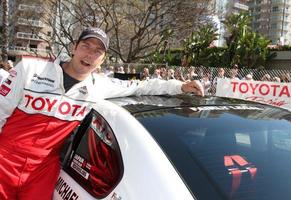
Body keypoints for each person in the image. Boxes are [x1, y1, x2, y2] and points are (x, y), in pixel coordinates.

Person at [0, 27, 204, 200]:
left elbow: (140, 87)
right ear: (74, 48)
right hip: (4, 158)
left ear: (103, 59)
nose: (89, 54)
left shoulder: (99, 86)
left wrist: (180, 86)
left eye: (97, 51)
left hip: (43, 170)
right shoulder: (30, 68)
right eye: (85, 46)